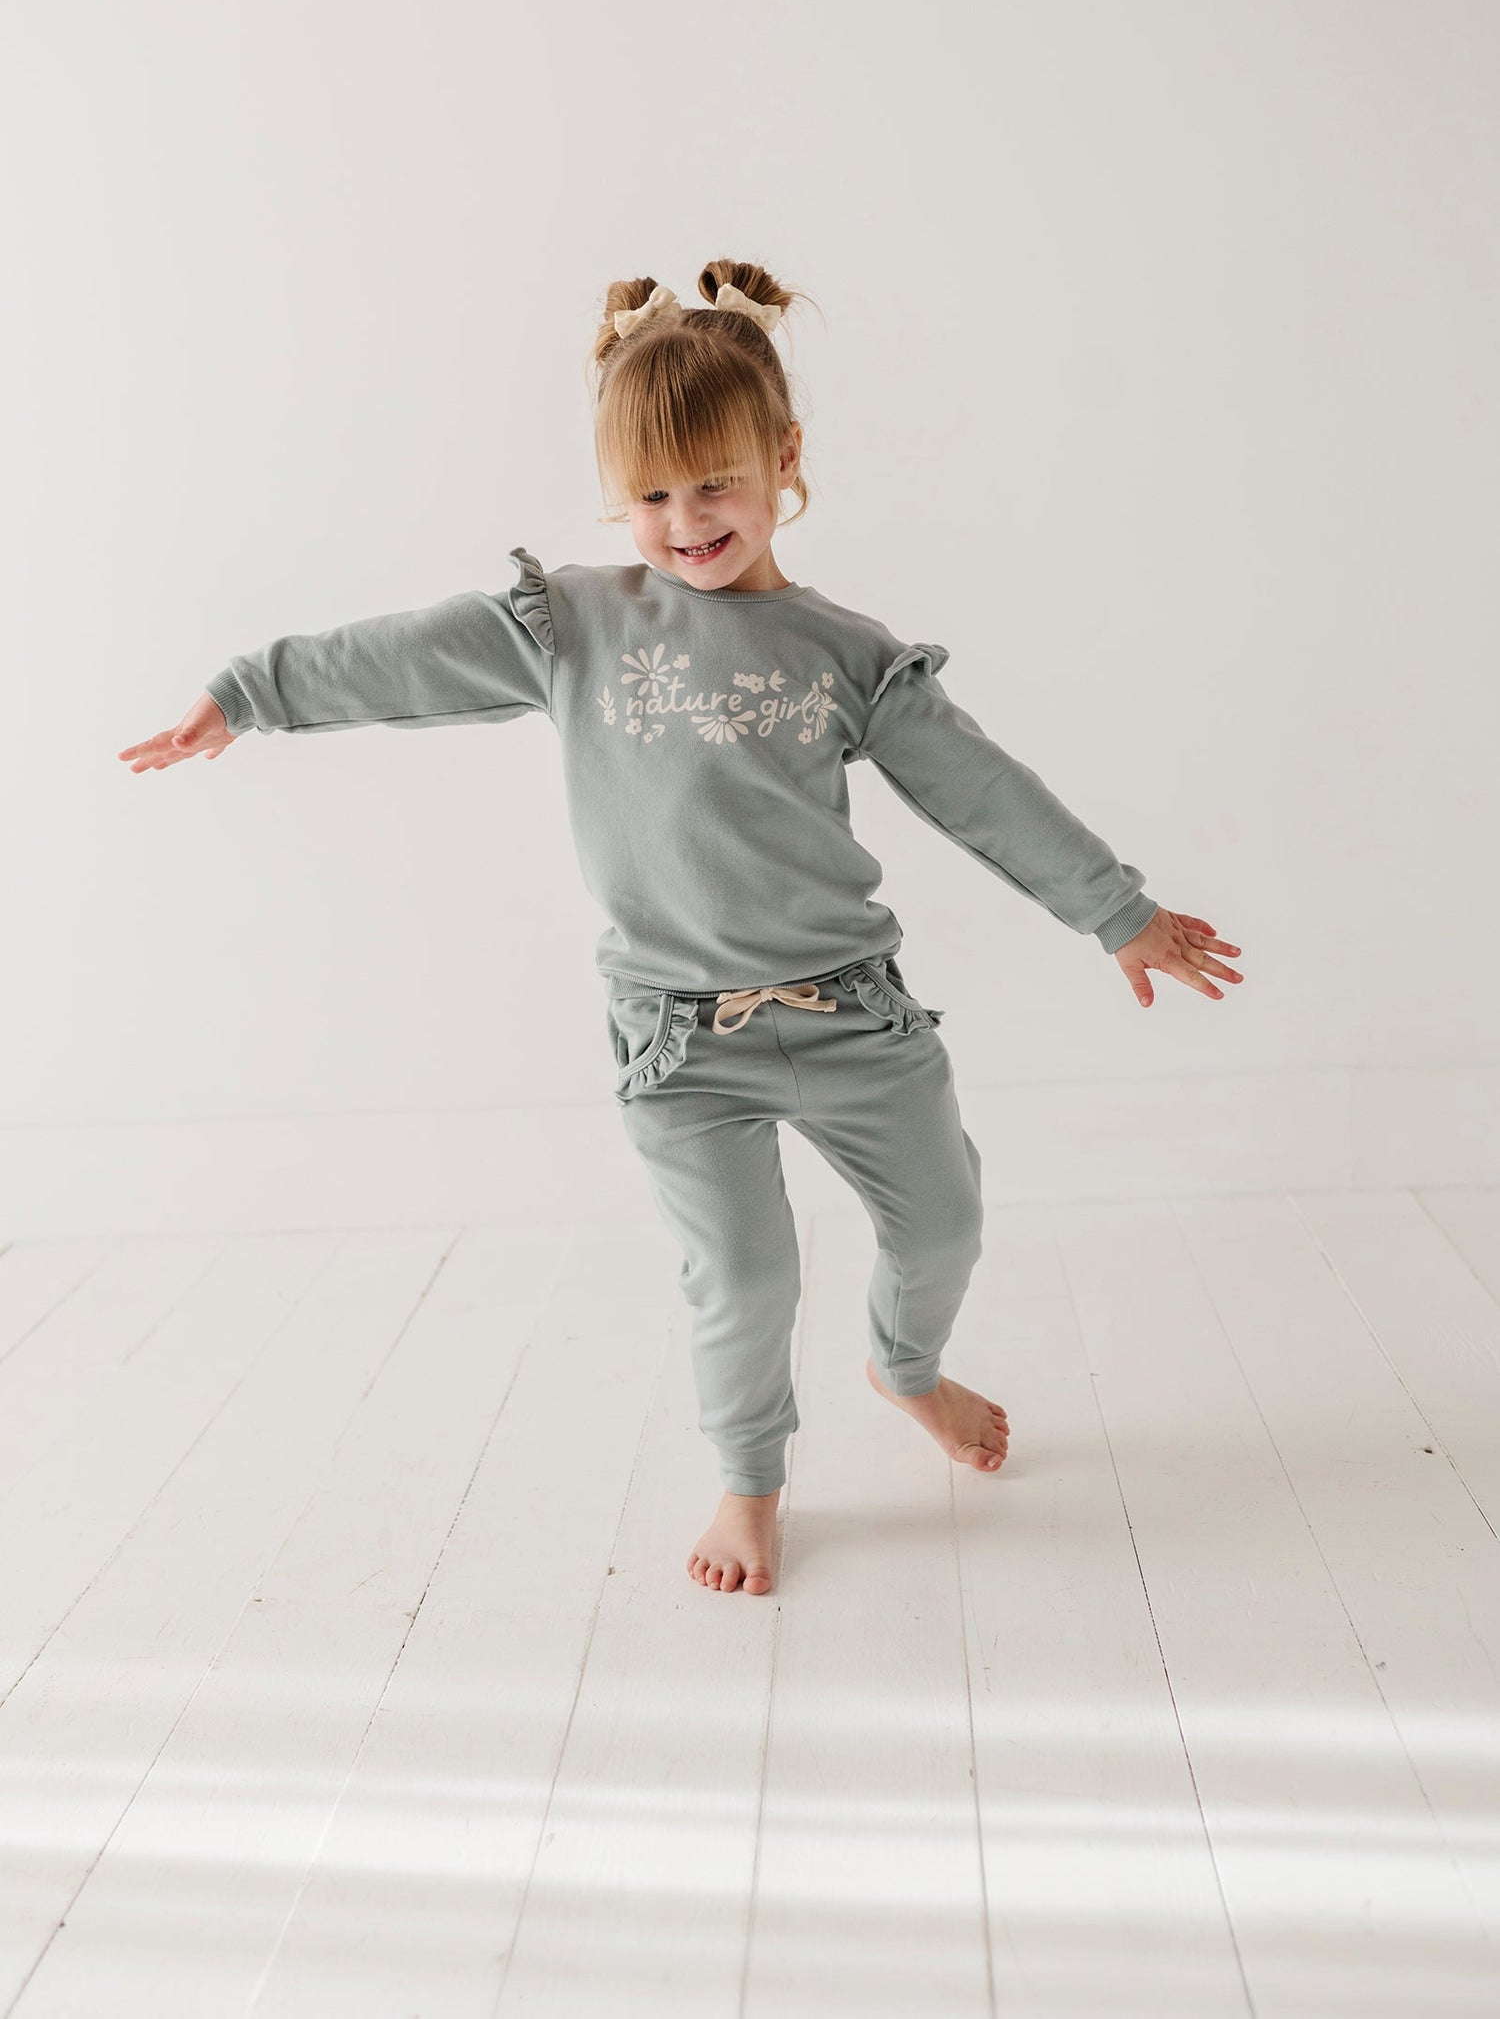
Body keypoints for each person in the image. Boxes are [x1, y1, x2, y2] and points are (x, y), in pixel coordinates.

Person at [118, 257, 1243, 1599]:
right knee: (747, 1276)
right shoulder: (576, 625)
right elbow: (397, 655)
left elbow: (982, 791)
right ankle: (749, 1481)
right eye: (651, 495)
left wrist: (1117, 912)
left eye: (715, 483)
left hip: (856, 1015)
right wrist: (249, 693)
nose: (686, 520)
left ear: (785, 460)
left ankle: (907, 1369)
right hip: (678, 1043)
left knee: (944, 1223)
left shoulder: (847, 654)